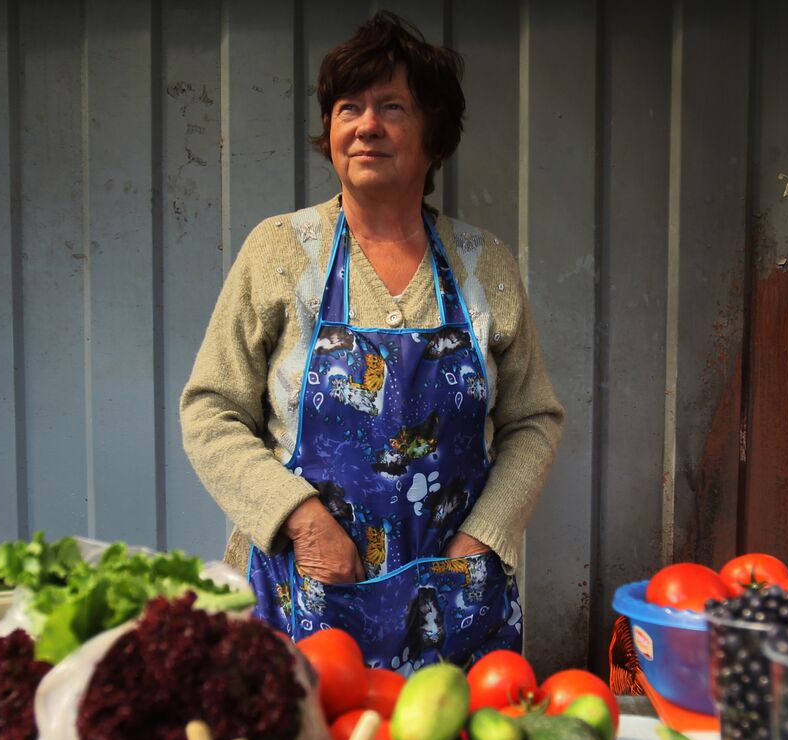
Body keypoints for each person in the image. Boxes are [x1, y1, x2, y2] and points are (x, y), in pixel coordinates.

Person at [180, 12, 563, 675]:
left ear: (433, 137)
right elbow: (210, 411)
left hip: (453, 598)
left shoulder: (482, 263)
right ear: (328, 131)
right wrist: (298, 519)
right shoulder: (279, 251)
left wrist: (485, 535)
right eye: (347, 107)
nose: (365, 124)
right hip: (298, 593)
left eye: (392, 106)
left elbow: (534, 420)